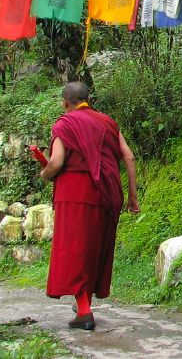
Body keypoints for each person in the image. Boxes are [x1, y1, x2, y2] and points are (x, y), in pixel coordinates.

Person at [39, 82, 140, 330]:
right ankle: (82, 302)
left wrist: (44, 173)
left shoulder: (64, 124)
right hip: (107, 193)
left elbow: (56, 163)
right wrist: (132, 196)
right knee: (95, 247)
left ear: (65, 103)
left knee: (75, 250)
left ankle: (84, 310)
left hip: (74, 193)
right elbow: (129, 157)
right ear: (88, 99)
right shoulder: (107, 122)